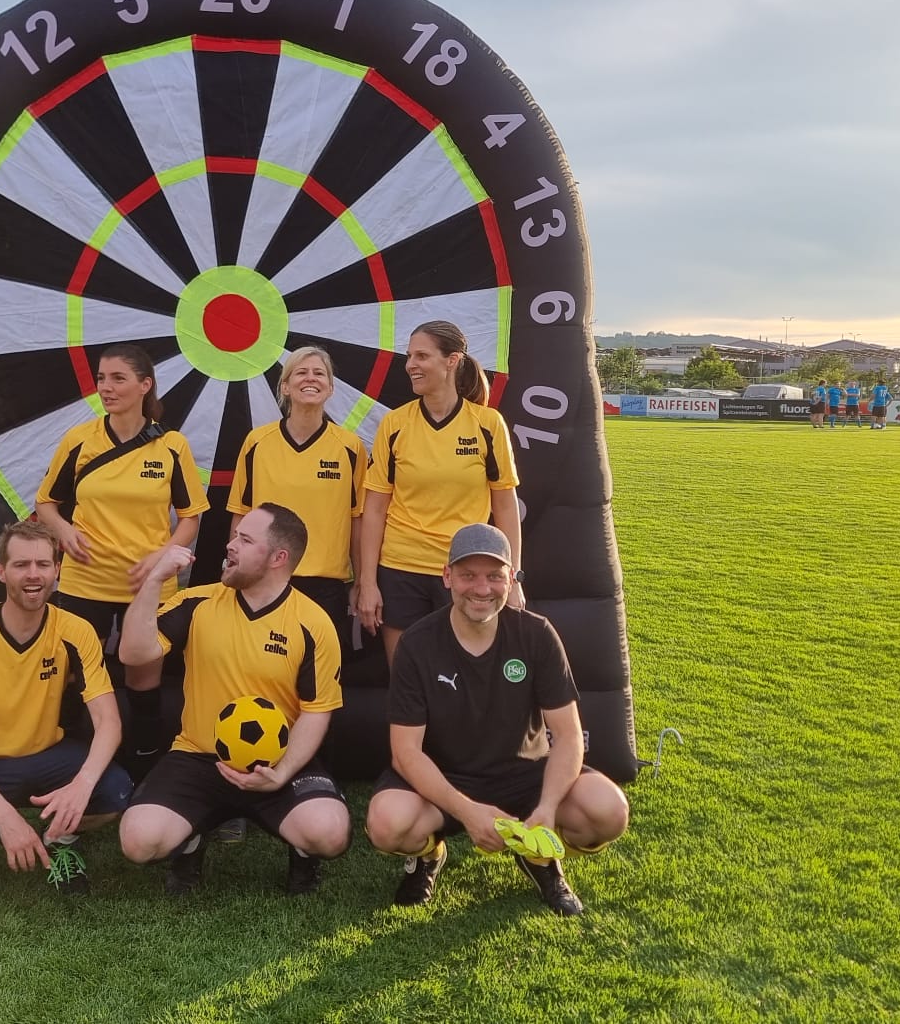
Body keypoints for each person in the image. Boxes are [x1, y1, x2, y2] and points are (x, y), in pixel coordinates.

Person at [365, 524, 628, 916]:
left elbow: (569, 736)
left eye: (494, 576)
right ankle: (428, 855)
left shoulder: (537, 634)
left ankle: (538, 856)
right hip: (446, 778)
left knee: (609, 811)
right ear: (447, 576)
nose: (481, 588)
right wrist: (468, 812)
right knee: (388, 824)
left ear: (511, 579)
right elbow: (406, 753)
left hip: (525, 776)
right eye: (468, 575)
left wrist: (547, 808)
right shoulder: (417, 644)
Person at [117, 505, 350, 896]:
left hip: (276, 762)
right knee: (139, 842)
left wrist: (281, 772)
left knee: (329, 834)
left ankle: (302, 854)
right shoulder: (196, 602)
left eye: (245, 539)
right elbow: (133, 654)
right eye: (235, 536)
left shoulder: (313, 623)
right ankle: (191, 842)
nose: (230, 545)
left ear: (278, 558)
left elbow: (316, 711)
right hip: (198, 757)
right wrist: (154, 579)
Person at [0, 520, 133, 898]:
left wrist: (82, 785)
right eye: (21, 565)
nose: (33, 575)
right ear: (1, 572)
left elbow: (109, 722)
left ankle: (60, 839)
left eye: (43, 564)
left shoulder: (76, 631)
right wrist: (8, 819)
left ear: (57, 570)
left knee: (115, 793)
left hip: (46, 755)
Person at [34, 343, 207, 774]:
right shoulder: (80, 440)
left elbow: (191, 518)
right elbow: (45, 503)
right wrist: (64, 532)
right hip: (84, 581)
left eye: (117, 378)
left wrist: (162, 556)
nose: (105, 387)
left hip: (147, 586)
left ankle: (144, 770)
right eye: (101, 378)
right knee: (74, 676)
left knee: (143, 680)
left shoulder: (171, 445)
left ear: (145, 386)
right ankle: (70, 767)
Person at [356, 320, 522, 668]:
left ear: (452, 360)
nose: (410, 365)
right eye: (409, 356)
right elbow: (374, 510)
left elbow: (506, 508)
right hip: (400, 570)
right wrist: (367, 583)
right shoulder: (394, 424)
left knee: (465, 680)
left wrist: (513, 578)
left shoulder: (488, 424)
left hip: (464, 572)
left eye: (421, 356)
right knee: (407, 680)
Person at [227, 346, 366, 663]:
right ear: (286, 387)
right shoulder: (256, 442)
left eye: (319, 373)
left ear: (330, 388)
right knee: (261, 672)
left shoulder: (350, 447)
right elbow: (240, 515)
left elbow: (357, 520)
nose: (310, 379)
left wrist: (362, 581)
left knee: (320, 677)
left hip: (326, 586)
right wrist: (236, 568)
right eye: (301, 372)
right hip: (264, 578)